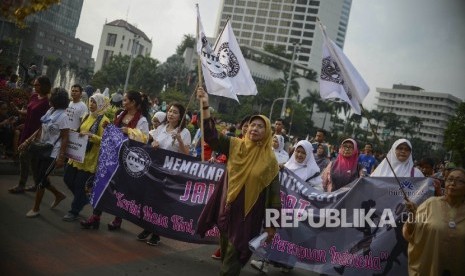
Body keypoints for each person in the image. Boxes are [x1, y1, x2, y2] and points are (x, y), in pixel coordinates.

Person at [196, 87, 281, 275]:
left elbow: (274, 197)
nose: (255, 129)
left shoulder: (270, 161)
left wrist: (271, 225)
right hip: (227, 210)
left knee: (233, 258)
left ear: (267, 132)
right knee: (227, 253)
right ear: (247, 127)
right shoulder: (235, 145)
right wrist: (205, 104)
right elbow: (211, 136)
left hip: (247, 216)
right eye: (253, 125)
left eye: (260, 126)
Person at [80, 90, 150, 230]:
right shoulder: (119, 114)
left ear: (133, 102)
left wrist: (129, 131)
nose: (122, 103)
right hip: (112, 157)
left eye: (125, 100)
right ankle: (95, 217)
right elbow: (113, 134)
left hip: (127, 159)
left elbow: (145, 138)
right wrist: (109, 128)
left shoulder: (142, 120)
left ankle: (118, 219)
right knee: (103, 185)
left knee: (121, 189)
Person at [251, 140, 321, 273]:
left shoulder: (314, 172)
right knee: (273, 233)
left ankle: (287, 264)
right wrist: (279, 169)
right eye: (298, 151)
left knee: (290, 239)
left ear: (309, 154)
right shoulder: (287, 166)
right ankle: (264, 262)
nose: (299, 155)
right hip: (281, 207)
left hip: (297, 212)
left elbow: (317, 191)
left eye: (303, 153)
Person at [137, 102, 192, 245]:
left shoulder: (185, 133)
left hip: (170, 173)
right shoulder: (161, 128)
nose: (171, 114)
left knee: (161, 203)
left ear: (181, 116)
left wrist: (179, 139)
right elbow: (152, 142)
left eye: (175, 112)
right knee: (149, 200)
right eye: (170, 111)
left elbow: (187, 154)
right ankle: (147, 227)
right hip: (155, 170)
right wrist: (153, 143)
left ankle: (156, 233)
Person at [403, 168, 465, 275]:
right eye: (450, 179)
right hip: (430, 268)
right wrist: (413, 215)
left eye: (459, 181)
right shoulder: (430, 204)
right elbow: (412, 233)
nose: (452, 183)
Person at [62, 94, 110, 222]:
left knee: (79, 185)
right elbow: (81, 130)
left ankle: (74, 210)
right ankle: (83, 199)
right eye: (90, 101)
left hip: (89, 158)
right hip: (77, 155)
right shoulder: (87, 116)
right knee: (67, 178)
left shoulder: (104, 121)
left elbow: (106, 140)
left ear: (100, 104)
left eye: (94, 102)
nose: (91, 104)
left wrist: (91, 136)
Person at [23, 88, 70, 217]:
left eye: (51, 96)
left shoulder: (64, 116)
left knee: (41, 180)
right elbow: (40, 128)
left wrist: (61, 157)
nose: (48, 97)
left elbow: (65, 137)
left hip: (52, 153)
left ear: (56, 99)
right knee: (39, 177)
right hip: (41, 148)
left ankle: (36, 209)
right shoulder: (50, 110)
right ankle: (59, 195)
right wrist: (27, 141)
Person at [8, 76, 51, 193]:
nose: (34, 87)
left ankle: (22, 185)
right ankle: (37, 184)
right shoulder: (33, 96)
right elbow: (29, 112)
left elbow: (47, 121)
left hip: (37, 134)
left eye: (37, 85)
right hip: (27, 130)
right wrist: (18, 111)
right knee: (33, 161)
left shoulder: (47, 102)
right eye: (34, 85)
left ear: (44, 86)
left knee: (23, 156)